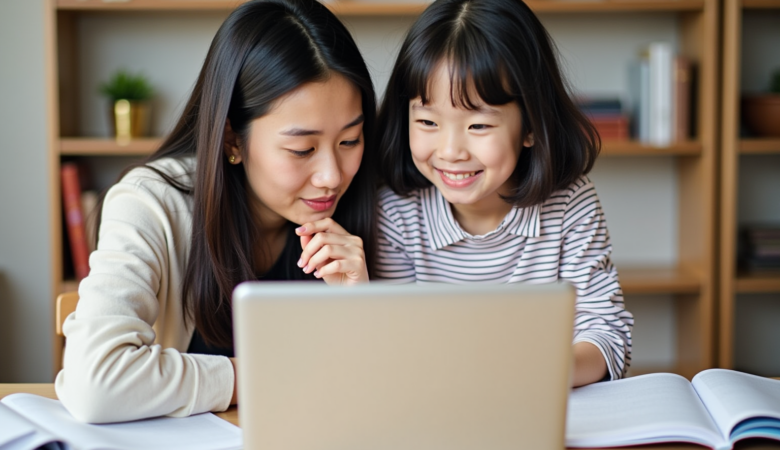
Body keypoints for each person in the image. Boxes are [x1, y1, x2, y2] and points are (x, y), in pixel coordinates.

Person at [56, 0, 377, 423]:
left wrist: (360, 307)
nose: (332, 176)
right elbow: (94, 382)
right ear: (232, 140)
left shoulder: (367, 206)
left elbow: (373, 395)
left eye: (350, 141)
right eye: (303, 149)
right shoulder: (151, 204)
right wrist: (258, 376)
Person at [375, 0, 633, 387]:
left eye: (478, 125)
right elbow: (391, 345)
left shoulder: (570, 205)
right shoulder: (397, 212)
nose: (450, 151)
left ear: (531, 126)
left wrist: (535, 372)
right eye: (427, 121)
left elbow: (608, 337)